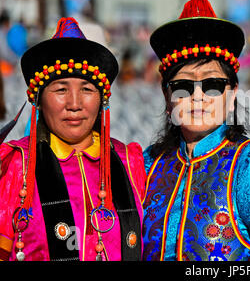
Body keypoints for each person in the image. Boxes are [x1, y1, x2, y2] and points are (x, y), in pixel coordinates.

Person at [141, 0, 250, 261]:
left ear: (232, 93)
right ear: (166, 96)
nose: (197, 96)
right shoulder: (149, 165)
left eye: (213, 84)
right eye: (182, 86)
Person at [0, 18, 146, 261]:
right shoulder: (16, 166)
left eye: (87, 90)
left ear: (102, 99)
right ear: (39, 100)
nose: (75, 104)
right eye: (60, 90)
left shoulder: (128, 161)